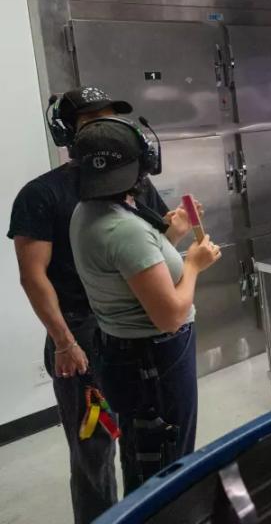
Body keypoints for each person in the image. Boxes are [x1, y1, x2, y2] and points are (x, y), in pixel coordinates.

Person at [6, 87, 179, 523]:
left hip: (132, 331)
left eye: (109, 117)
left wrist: (176, 234)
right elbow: (33, 276)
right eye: (92, 120)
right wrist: (64, 342)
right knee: (93, 448)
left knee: (145, 436)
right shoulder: (40, 194)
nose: (105, 127)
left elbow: (155, 240)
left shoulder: (134, 180)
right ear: (67, 133)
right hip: (79, 333)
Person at [69, 117, 220, 495]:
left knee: (143, 455)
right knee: (167, 464)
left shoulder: (88, 211)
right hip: (154, 359)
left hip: (126, 354)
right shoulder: (125, 230)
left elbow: (135, 269)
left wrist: (172, 235)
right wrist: (193, 264)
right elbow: (170, 316)